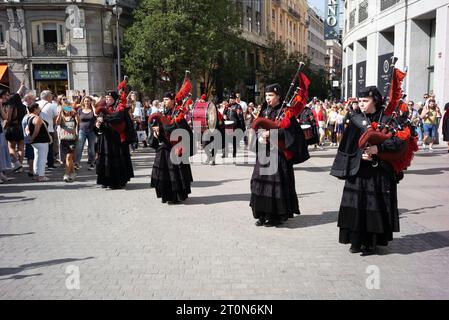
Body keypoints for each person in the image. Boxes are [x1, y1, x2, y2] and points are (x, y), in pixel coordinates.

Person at [330, 86, 404, 255]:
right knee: (356, 205)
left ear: (375, 101)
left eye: (365, 101)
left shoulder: (387, 119)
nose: (361, 104)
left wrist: (378, 150)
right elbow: (347, 146)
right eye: (360, 101)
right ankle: (355, 241)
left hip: (378, 174)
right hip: (358, 172)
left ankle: (371, 242)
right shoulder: (356, 120)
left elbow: (399, 143)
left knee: (373, 206)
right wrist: (359, 155)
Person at [250, 83, 309, 227]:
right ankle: (262, 214)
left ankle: (275, 216)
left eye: (271, 95)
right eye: (266, 95)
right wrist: (259, 135)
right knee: (259, 183)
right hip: (264, 153)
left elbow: (290, 132)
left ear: (278, 96)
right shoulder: (264, 110)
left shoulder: (285, 112)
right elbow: (256, 126)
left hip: (278, 154)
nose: (268, 98)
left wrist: (272, 133)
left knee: (275, 186)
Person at [149, 92, 193, 204]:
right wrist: (156, 132)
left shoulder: (178, 115)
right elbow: (157, 126)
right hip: (164, 146)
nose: (164, 101)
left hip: (175, 147)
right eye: (163, 99)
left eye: (167, 99)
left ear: (173, 100)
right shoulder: (162, 113)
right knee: (164, 173)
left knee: (176, 172)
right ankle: (166, 195)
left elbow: (183, 131)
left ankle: (177, 196)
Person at [95, 87, 134, 189]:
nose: (107, 100)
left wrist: (104, 119)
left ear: (115, 99)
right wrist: (98, 124)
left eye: (109, 98)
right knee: (105, 159)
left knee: (117, 160)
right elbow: (101, 121)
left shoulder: (120, 108)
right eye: (106, 98)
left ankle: (117, 181)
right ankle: (105, 180)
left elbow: (117, 119)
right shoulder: (105, 108)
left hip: (116, 140)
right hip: (106, 138)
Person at [3, 82, 27, 173]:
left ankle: (17, 165)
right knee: (21, 147)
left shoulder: (10, 106)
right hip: (21, 127)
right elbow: (18, 94)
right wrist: (22, 86)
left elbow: (8, 119)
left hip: (12, 127)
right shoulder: (23, 106)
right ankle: (20, 166)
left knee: (11, 147)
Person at [26, 103, 52, 182]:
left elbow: (26, 129)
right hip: (41, 141)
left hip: (37, 142)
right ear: (35, 109)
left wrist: (30, 136)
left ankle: (36, 174)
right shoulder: (37, 118)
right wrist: (32, 138)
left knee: (37, 158)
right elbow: (36, 131)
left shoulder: (29, 117)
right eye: (38, 108)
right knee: (42, 159)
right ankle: (41, 176)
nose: (40, 109)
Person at [56, 104, 80, 182]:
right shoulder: (62, 118)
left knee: (68, 157)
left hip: (72, 139)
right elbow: (57, 123)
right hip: (64, 139)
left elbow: (79, 122)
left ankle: (66, 174)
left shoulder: (74, 117)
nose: (67, 110)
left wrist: (75, 112)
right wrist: (59, 113)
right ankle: (73, 172)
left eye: (68, 108)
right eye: (65, 109)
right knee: (68, 158)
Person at [74, 96, 97, 170]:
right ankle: (77, 163)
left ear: (91, 102)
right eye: (85, 101)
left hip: (92, 131)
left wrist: (93, 106)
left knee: (91, 148)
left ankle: (92, 163)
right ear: (83, 102)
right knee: (79, 147)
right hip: (82, 130)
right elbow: (69, 108)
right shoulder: (80, 110)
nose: (87, 102)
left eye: (88, 101)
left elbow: (96, 114)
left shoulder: (93, 110)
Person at [38, 90, 59, 170]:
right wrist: (53, 124)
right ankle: (50, 164)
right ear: (47, 97)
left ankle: (40, 165)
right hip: (49, 129)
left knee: (39, 148)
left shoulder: (37, 103)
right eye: (51, 95)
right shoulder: (52, 105)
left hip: (38, 128)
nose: (52, 97)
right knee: (50, 147)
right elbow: (55, 117)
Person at [223, 92, 245, 158]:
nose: (231, 100)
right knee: (225, 138)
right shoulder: (227, 106)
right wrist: (224, 116)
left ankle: (234, 152)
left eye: (232, 98)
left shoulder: (238, 106)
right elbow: (224, 113)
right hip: (227, 124)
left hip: (235, 125)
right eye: (230, 98)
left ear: (235, 99)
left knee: (234, 139)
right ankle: (225, 153)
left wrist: (241, 126)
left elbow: (241, 117)